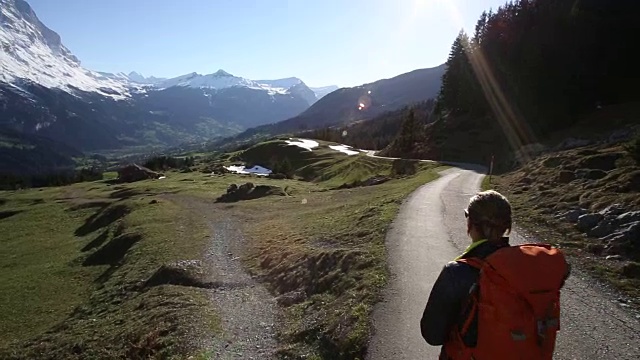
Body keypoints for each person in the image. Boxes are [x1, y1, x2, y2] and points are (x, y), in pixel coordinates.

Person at [420, 190, 570, 359]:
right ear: (507, 226)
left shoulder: (456, 272)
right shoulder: (529, 269)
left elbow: (432, 335)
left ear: (470, 224)